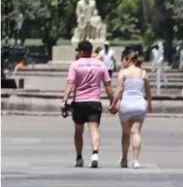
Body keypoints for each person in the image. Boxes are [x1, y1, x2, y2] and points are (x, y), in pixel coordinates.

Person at [60, 40, 114, 168]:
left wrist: (64, 100)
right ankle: (95, 154)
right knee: (94, 129)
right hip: (94, 102)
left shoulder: (75, 65)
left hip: (79, 102)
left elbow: (70, 83)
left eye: (78, 50)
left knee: (78, 131)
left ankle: (79, 157)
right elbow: (108, 86)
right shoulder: (101, 65)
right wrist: (112, 102)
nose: (78, 53)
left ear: (83, 51)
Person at [109, 50, 151, 168]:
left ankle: (124, 159)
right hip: (139, 105)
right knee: (136, 132)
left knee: (126, 133)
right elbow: (148, 92)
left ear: (128, 60)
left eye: (123, 59)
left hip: (126, 105)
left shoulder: (123, 73)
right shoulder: (143, 73)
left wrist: (113, 104)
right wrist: (150, 104)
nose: (122, 62)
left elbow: (119, 90)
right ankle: (136, 160)